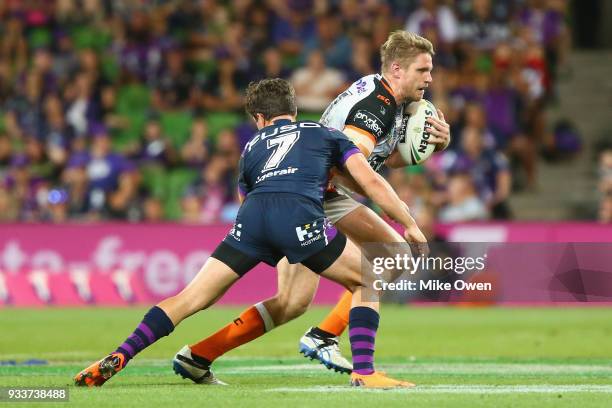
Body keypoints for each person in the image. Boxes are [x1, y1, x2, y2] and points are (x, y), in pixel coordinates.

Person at [74, 78, 425, 389]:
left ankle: (120, 354)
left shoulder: (251, 148)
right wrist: (407, 223)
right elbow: (369, 181)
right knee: (367, 279)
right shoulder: (323, 134)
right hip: (300, 214)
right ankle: (364, 372)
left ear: (258, 119)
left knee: (189, 299)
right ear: (295, 109)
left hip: (252, 219)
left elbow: (246, 195)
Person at [176, 31, 450, 377]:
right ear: (397, 69)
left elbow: (382, 158)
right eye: (423, 70)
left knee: (292, 303)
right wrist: (402, 216)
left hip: (312, 189)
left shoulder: (385, 97)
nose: (429, 78)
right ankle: (325, 336)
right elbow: (353, 170)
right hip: (317, 191)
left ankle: (199, 355)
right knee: (393, 253)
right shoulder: (375, 109)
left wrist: (431, 148)